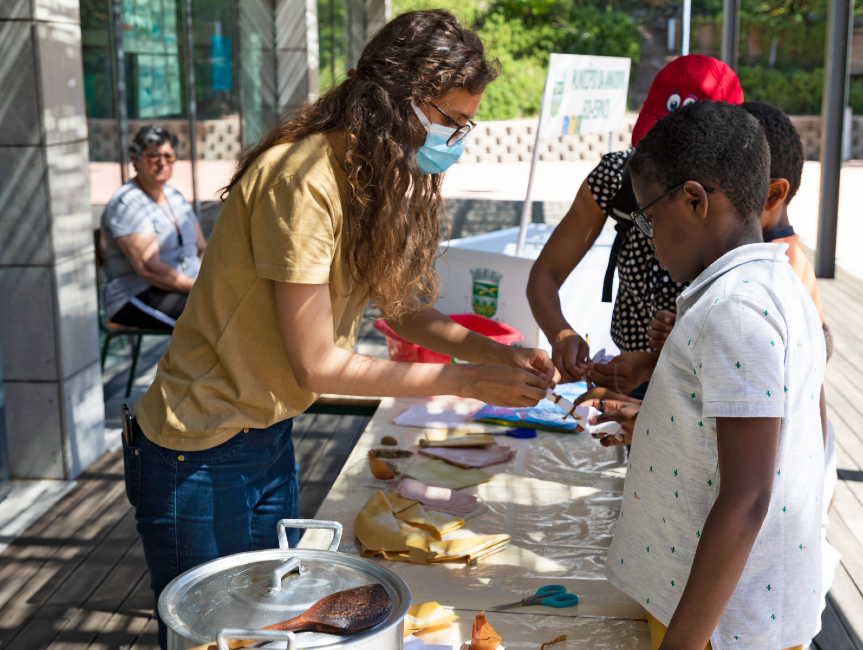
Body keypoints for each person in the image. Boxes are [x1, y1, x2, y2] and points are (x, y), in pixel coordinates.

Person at [124, 11, 554, 648]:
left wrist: (499, 353)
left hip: (264, 434)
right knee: (219, 638)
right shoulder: (303, 180)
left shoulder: (364, 177)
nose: (457, 139)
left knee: (269, 629)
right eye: (452, 121)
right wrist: (466, 381)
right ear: (400, 101)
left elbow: (402, 311)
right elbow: (318, 365)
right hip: (199, 447)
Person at [591, 100, 825, 649]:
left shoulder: (734, 312)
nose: (647, 236)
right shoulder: (771, 286)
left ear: (695, 200)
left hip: (719, 626)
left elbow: (746, 497)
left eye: (649, 217)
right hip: (714, 613)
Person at [527, 55, 743, 399]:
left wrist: (654, 363)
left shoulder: (739, 207)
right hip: (629, 378)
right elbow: (545, 273)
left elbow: (741, 361)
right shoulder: (616, 179)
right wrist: (561, 334)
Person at [101, 126, 205, 330]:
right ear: (136, 159)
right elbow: (150, 269)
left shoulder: (174, 195)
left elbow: (201, 247)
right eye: (154, 156)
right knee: (213, 321)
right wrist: (202, 290)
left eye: (169, 156)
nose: (163, 163)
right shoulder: (128, 203)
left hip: (186, 288)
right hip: (137, 295)